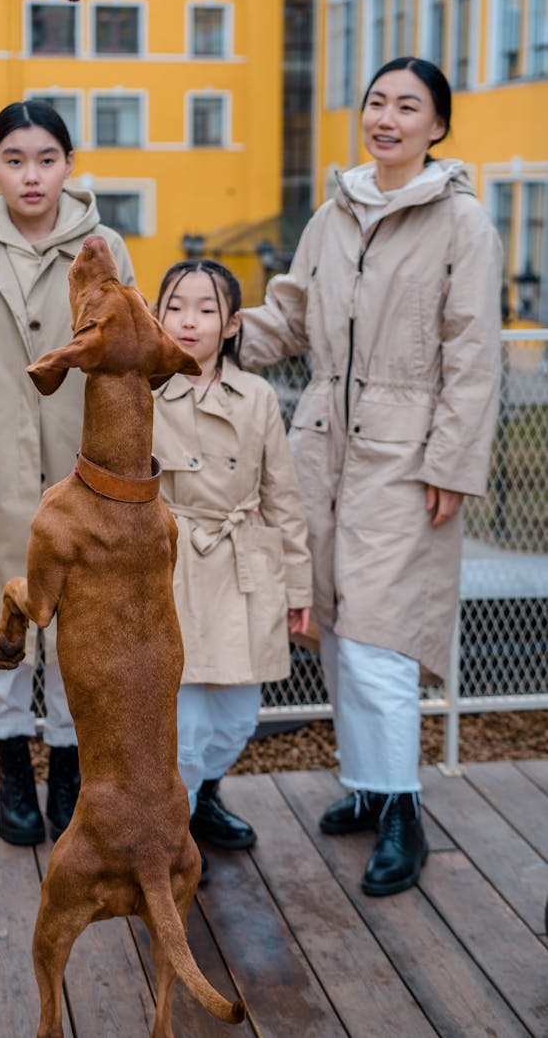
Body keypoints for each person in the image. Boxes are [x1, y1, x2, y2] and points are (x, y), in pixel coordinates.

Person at [239, 57, 502, 896]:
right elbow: (285, 316)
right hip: (321, 443)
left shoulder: (463, 223)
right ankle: (368, 783)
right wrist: (191, 334)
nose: (386, 117)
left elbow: (473, 355)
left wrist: (453, 460)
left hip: (407, 448)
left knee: (384, 637)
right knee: (342, 626)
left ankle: (404, 813)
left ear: (438, 126)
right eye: (377, 102)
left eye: (407, 106)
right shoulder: (334, 212)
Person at [0, 100, 135, 846]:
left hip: (86, 480)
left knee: (80, 632)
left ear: (69, 164)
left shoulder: (104, 246)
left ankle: (69, 772)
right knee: (2, 629)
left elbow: (128, 364)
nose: (32, 174)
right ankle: (13, 765)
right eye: (14, 159)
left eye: (47, 158)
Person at [152, 258, 313, 879]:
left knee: (238, 715)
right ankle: (173, 837)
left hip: (242, 561)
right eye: (174, 306)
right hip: (172, 564)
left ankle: (202, 798)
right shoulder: (141, 390)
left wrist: (297, 585)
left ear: (232, 324)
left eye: (205, 308)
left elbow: (285, 498)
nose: (188, 320)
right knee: (182, 721)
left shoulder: (259, 397)